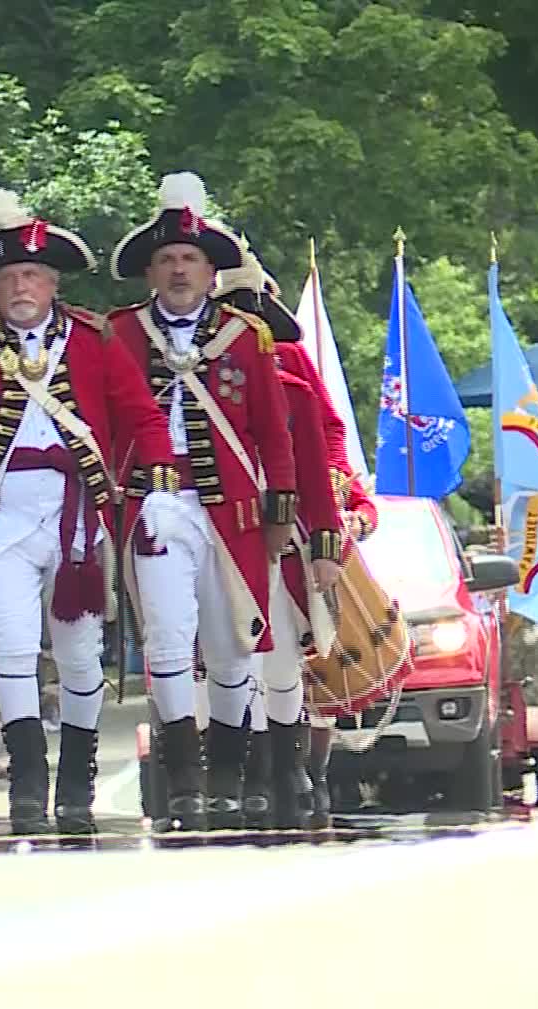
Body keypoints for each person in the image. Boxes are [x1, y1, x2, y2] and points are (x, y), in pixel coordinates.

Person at [0, 189, 180, 836]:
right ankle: (28, 782)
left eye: (31, 274)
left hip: (76, 514)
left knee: (82, 655)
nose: (19, 287)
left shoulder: (92, 340)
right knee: (9, 641)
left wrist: (163, 487)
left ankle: (76, 781)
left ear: (53, 282)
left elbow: (142, 416)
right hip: (1, 514)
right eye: (6, 277)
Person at [107, 172, 298, 831]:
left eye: (190, 259)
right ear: (150, 273)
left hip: (235, 514)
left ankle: (228, 776)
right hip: (156, 506)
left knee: (231, 649)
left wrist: (280, 518)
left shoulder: (248, 337)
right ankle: (182, 778)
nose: (179, 270)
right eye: (167, 260)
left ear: (212, 270)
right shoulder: (122, 335)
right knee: (166, 636)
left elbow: (275, 436)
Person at [212, 245, 346, 828]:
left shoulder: (294, 390)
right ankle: (251, 769)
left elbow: (315, 473)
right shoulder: (206, 389)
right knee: (226, 658)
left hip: (278, 537)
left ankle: (290, 768)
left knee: (284, 660)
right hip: (221, 534)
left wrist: (324, 547)